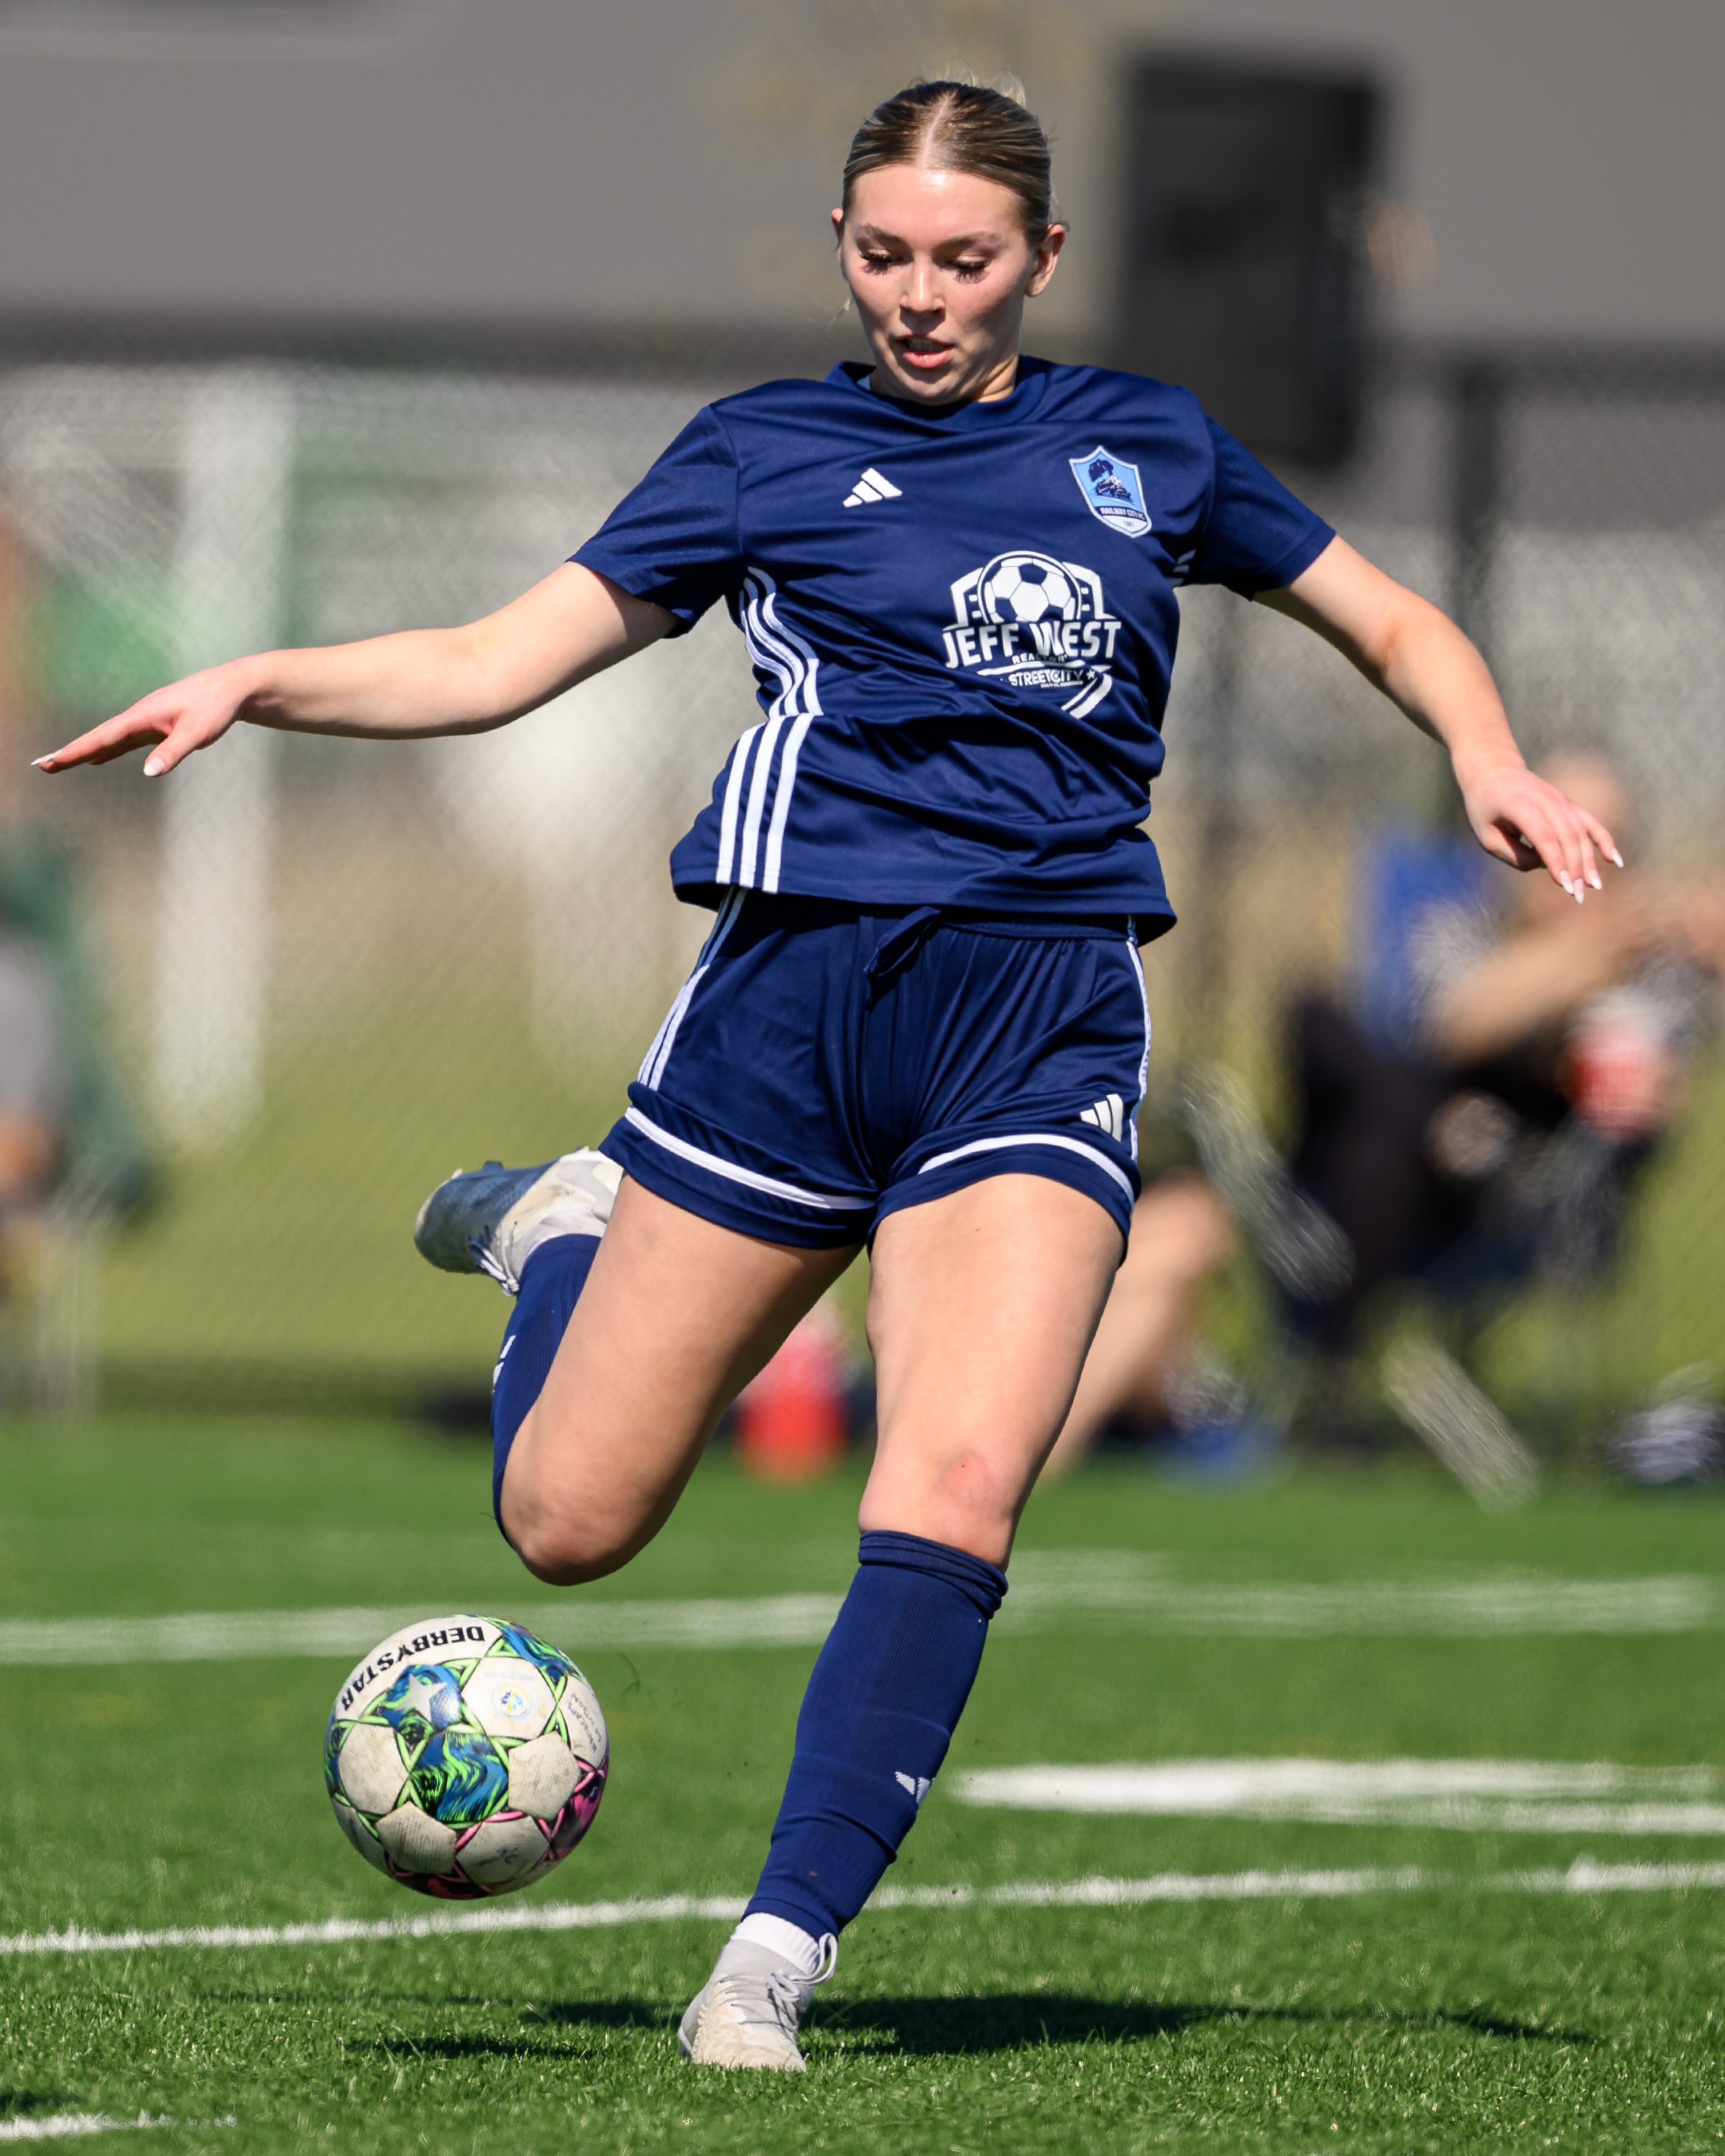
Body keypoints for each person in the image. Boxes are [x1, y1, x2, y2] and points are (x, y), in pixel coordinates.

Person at [37, 79, 1617, 2071]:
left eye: (965, 259)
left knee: (957, 1477)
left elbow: (1384, 613)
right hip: (788, 1016)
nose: (921, 296)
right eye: (885, 254)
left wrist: (1481, 752)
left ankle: (771, 1958)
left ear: (1042, 257)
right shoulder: (763, 453)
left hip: (1039, 1020)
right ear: (846, 246)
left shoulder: (1148, 446)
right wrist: (262, 679)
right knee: (569, 1525)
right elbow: (489, 663)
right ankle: (561, 1236)